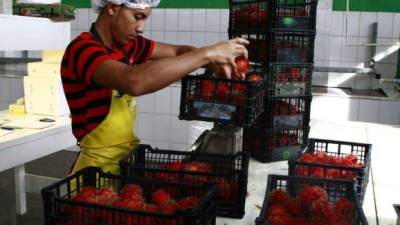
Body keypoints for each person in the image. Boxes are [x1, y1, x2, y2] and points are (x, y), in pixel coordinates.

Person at [61, 0, 249, 175]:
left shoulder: (129, 46)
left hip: (125, 162)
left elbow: (178, 52)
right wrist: (208, 54)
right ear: (112, 7)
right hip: (93, 172)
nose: (141, 28)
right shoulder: (82, 49)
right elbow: (133, 81)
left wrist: (216, 63)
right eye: (137, 17)